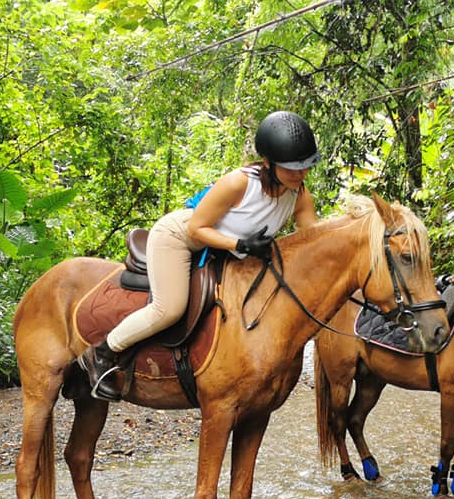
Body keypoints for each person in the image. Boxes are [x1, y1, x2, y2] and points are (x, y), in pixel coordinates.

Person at [88, 110, 321, 400]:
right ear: (268, 163)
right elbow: (198, 228)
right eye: (292, 168)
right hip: (180, 238)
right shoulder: (239, 183)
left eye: (305, 167)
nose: (301, 174)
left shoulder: (298, 194)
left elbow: (311, 239)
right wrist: (241, 244)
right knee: (169, 308)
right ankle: (103, 352)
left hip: (224, 251)